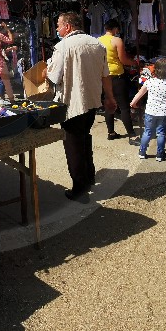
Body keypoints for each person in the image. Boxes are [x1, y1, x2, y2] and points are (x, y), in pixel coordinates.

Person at [45, 11, 116, 202]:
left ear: (68, 26)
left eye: (59, 25)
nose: (57, 29)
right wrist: (109, 97)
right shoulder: (96, 44)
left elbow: (53, 77)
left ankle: (80, 187)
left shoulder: (62, 46)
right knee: (84, 138)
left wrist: (46, 69)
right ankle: (89, 176)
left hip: (72, 104)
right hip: (92, 101)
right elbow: (105, 75)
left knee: (73, 145)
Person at [129, 57, 166, 162]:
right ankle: (160, 155)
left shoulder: (149, 82)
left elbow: (140, 93)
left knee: (147, 132)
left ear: (155, 70)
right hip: (164, 113)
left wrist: (133, 103)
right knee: (161, 133)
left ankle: (142, 152)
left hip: (150, 112)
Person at [98, 18, 138, 140]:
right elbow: (123, 60)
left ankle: (111, 133)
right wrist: (134, 63)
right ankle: (131, 135)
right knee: (124, 106)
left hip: (104, 77)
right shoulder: (117, 40)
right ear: (115, 29)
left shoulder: (98, 41)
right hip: (117, 76)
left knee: (109, 104)